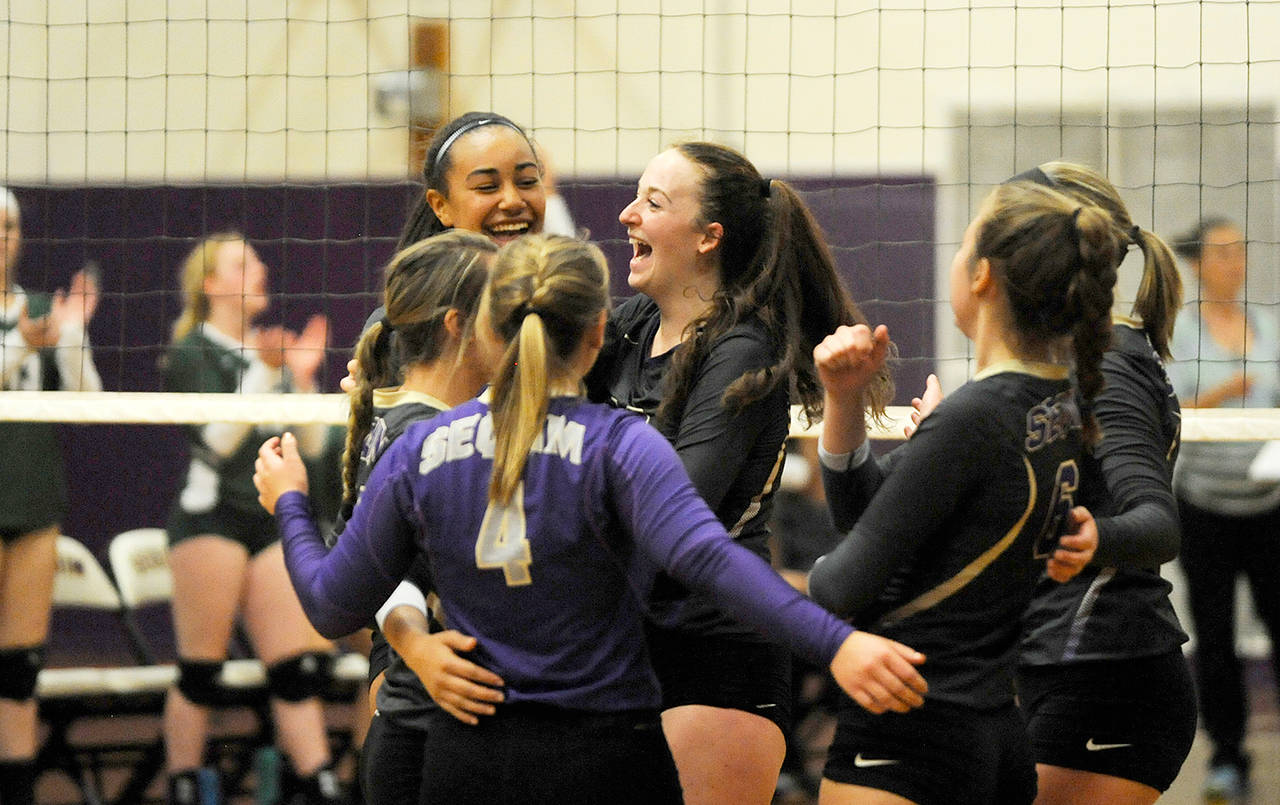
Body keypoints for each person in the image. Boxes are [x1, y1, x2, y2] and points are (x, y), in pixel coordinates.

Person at [255, 233, 929, 805]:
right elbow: (712, 561)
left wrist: (289, 500)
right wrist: (838, 642)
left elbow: (328, 605)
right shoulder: (620, 445)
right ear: (600, 333)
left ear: (490, 332)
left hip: (466, 760)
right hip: (602, 757)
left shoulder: (418, 450)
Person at [586, 141, 893, 805]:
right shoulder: (629, 327)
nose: (627, 213)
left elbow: (679, 501)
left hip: (714, 650)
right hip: (620, 641)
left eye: (654, 202)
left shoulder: (743, 347)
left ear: (707, 238)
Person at [808, 181, 1115, 805]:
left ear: (982, 277)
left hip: (911, 730)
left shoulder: (975, 418)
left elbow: (840, 586)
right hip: (988, 726)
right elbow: (867, 518)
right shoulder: (1055, 403)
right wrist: (844, 402)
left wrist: (753, 575)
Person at [1009, 163, 1195, 805]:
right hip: (1052, 663)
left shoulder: (1109, 365)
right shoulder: (1055, 364)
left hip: (1110, 676)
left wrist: (1089, 537)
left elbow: (1156, 522)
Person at [160, 233, 341, 805]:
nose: (260, 269)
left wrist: (304, 378)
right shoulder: (193, 351)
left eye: (258, 260)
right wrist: (266, 374)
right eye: (244, 263)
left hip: (266, 520)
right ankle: (184, 784)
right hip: (209, 519)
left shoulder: (269, 349)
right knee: (202, 672)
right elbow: (215, 441)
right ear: (210, 284)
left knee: (293, 671)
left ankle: (322, 785)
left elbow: (310, 447)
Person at [334, 230, 500, 805]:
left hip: (426, 719)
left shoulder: (403, 420)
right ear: (458, 325)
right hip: (429, 724)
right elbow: (373, 571)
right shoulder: (426, 436)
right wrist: (417, 642)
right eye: (500, 307)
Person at [1167, 216, 1280, 801]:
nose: (1235, 262)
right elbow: (1173, 406)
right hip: (1204, 507)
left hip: (1269, 505)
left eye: (1241, 251)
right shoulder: (1182, 331)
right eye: (1223, 252)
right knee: (1214, 639)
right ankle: (1227, 759)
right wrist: (1224, 392)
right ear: (1197, 263)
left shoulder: (1268, 325)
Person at [0, 187, 101, 805]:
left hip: (33, 491)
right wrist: (24, 346)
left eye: (9, 228)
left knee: (19, 667)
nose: (2, 239)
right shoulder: (26, 326)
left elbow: (88, 401)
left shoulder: (41, 310)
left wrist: (71, 336)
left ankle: (17, 790)